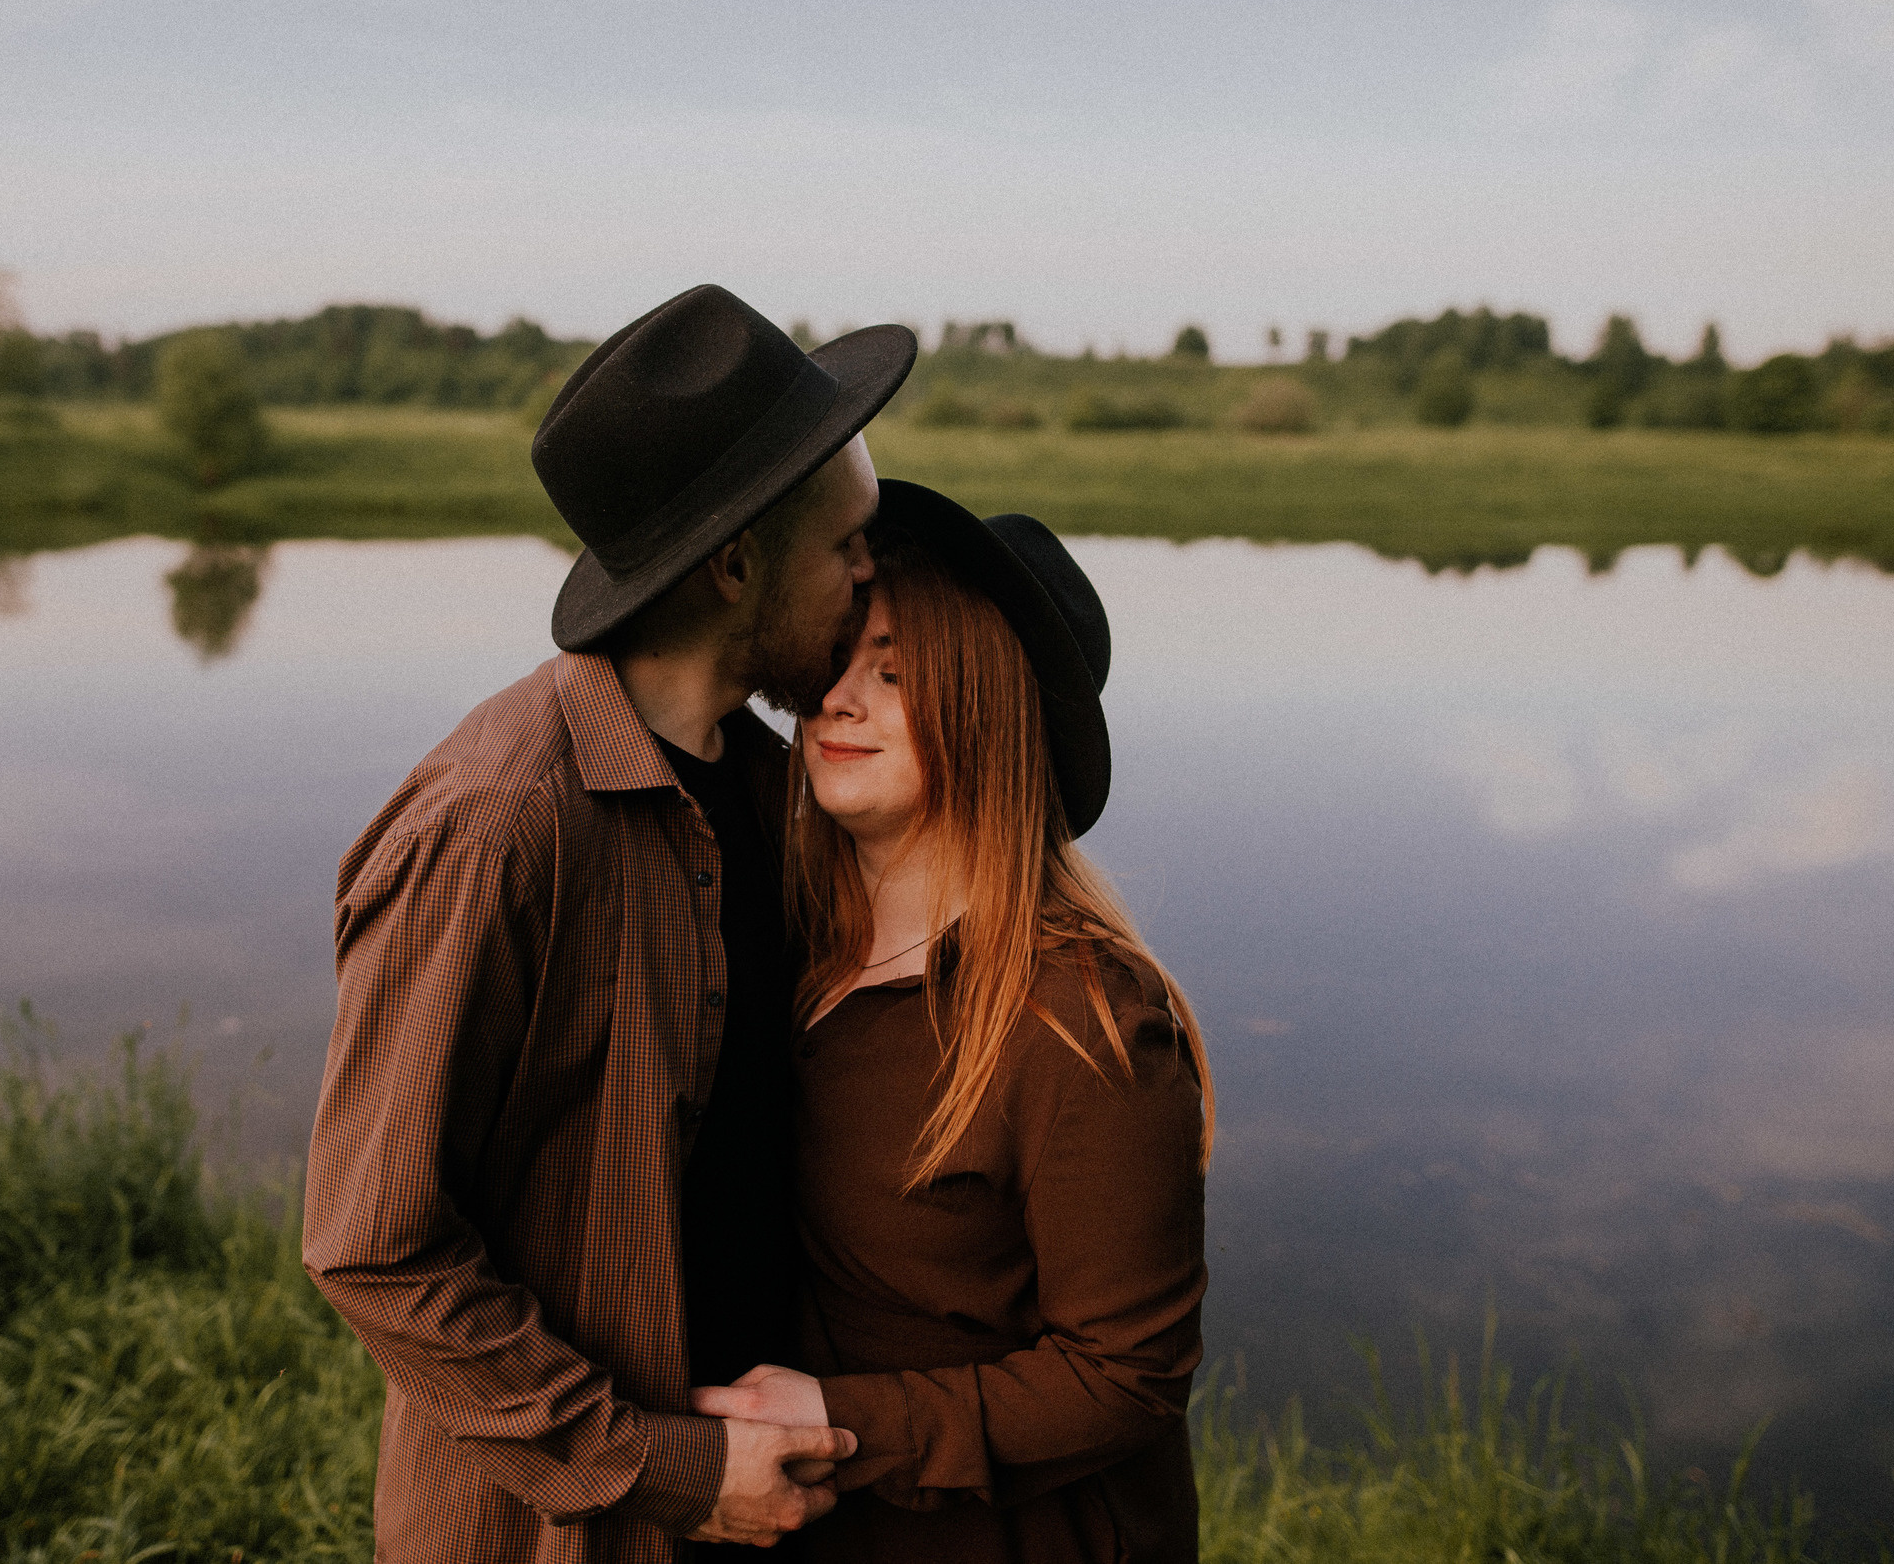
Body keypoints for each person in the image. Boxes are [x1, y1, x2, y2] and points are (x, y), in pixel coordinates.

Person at [304, 284, 917, 1561]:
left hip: (764, 1497)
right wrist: (672, 1472)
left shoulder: (773, 788)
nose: (873, 577)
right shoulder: (495, 828)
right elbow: (376, 1245)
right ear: (735, 562)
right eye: (848, 543)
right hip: (554, 1533)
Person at [691, 480, 1216, 1563]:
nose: (837, 700)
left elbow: (1127, 1376)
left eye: (895, 675)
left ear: (988, 715)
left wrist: (841, 1422)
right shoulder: (788, 938)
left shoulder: (1082, 1022)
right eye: (838, 657)